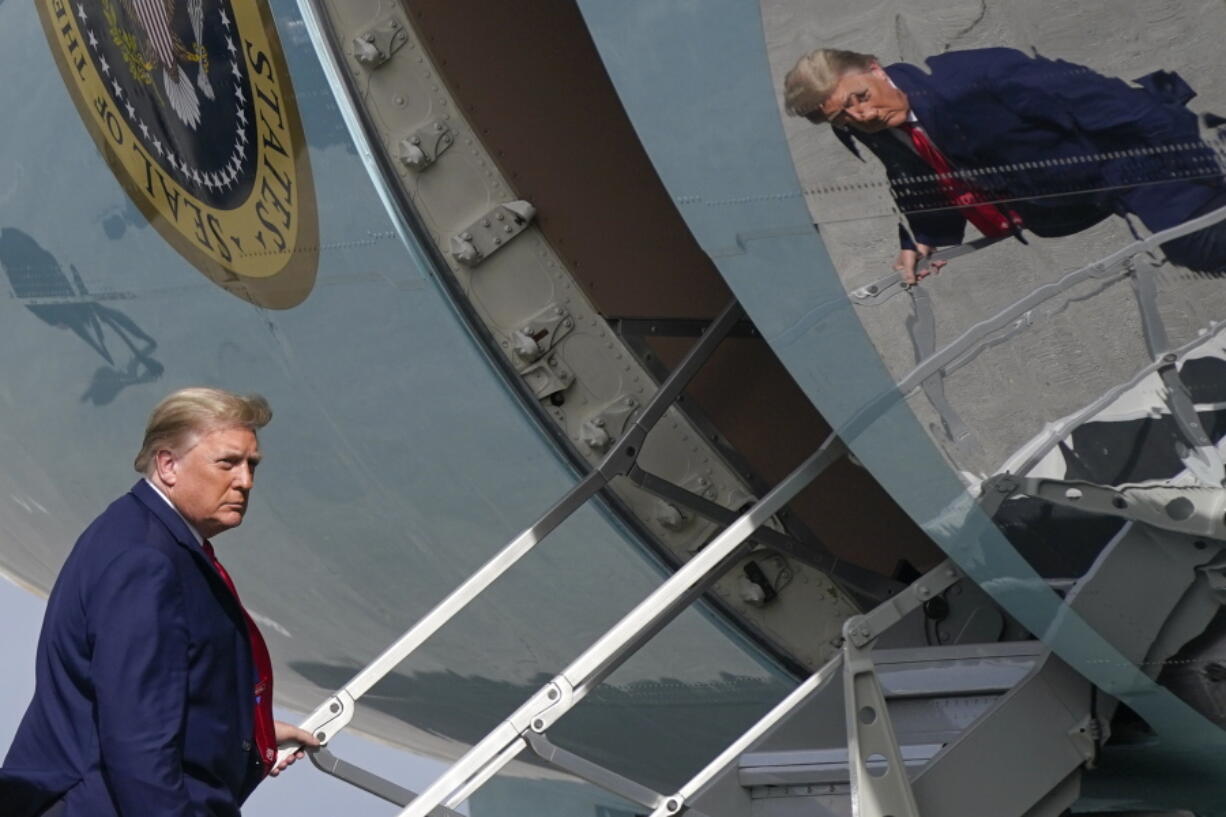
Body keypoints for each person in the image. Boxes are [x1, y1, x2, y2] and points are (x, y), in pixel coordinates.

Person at [0, 387, 319, 817]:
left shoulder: (143, 535)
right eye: (227, 462)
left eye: (251, 465)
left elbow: (153, 697)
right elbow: (137, 741)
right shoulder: (146, 561)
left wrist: (246, 735)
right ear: (168, 465)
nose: (245, 481)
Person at [783, 47, 1226, 283]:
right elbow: (913, 174)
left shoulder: (977, 78)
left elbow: (1109, 103)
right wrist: (922, 239)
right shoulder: (870, 125)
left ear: (876, 69)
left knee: (1200, 243)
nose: (860, 116)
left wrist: (1203, 162)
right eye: (842, 117)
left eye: (858, 98)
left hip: (1135, 159)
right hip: (1068, 197)